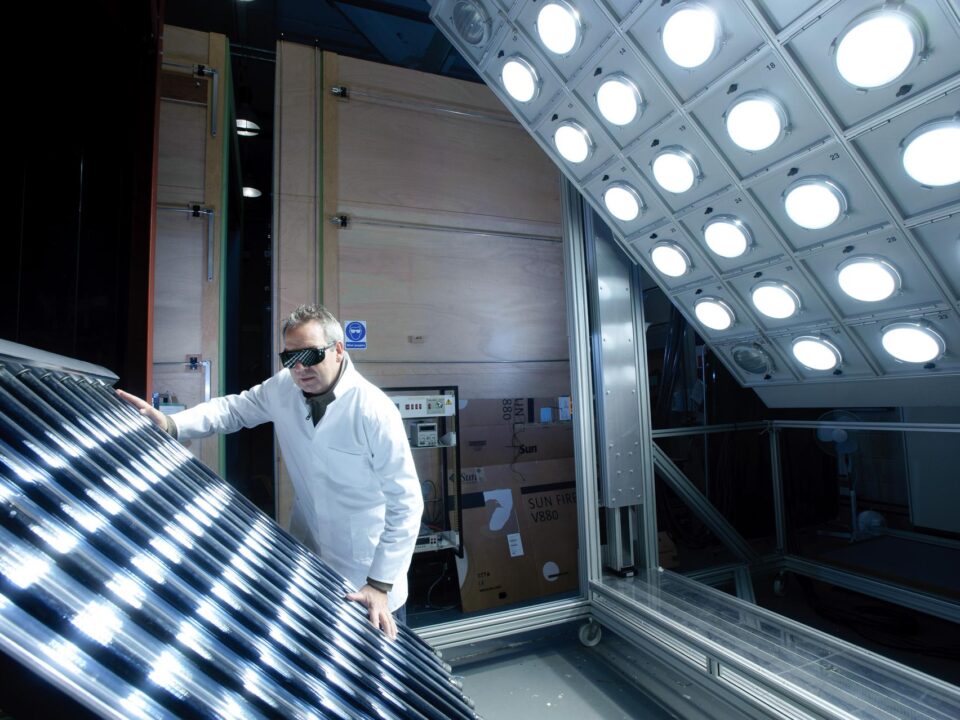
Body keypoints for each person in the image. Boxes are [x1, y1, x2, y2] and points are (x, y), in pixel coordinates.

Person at [118, 304, 422, 640]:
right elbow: (233, 410)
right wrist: (173, 423)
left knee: (377, 674)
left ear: (338, 350)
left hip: (369, 574)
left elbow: (406, 504)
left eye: (310, 354)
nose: (300, 368)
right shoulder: (284, 388)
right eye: (290, 358)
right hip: (311, 559)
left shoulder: (373, 410)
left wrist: (379, 583)